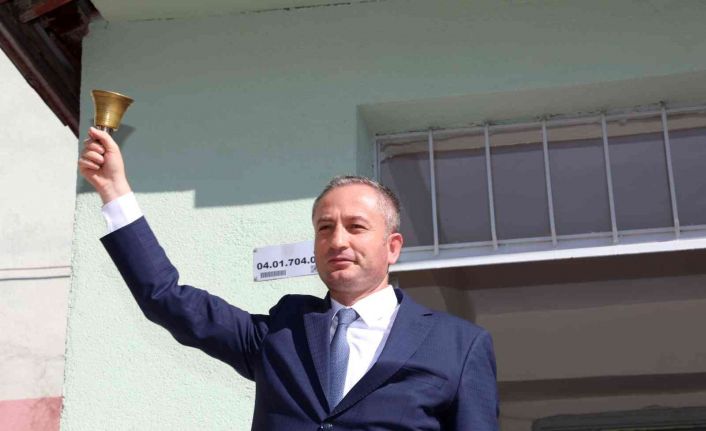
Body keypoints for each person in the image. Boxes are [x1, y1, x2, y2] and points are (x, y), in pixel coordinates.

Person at [78, 126, 499, 430]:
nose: (337, 240)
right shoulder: (281, 333)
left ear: (392, 247)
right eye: (324, 228)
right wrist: (114, 191)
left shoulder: (458, 345)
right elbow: (165, 297)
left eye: (356, 227)